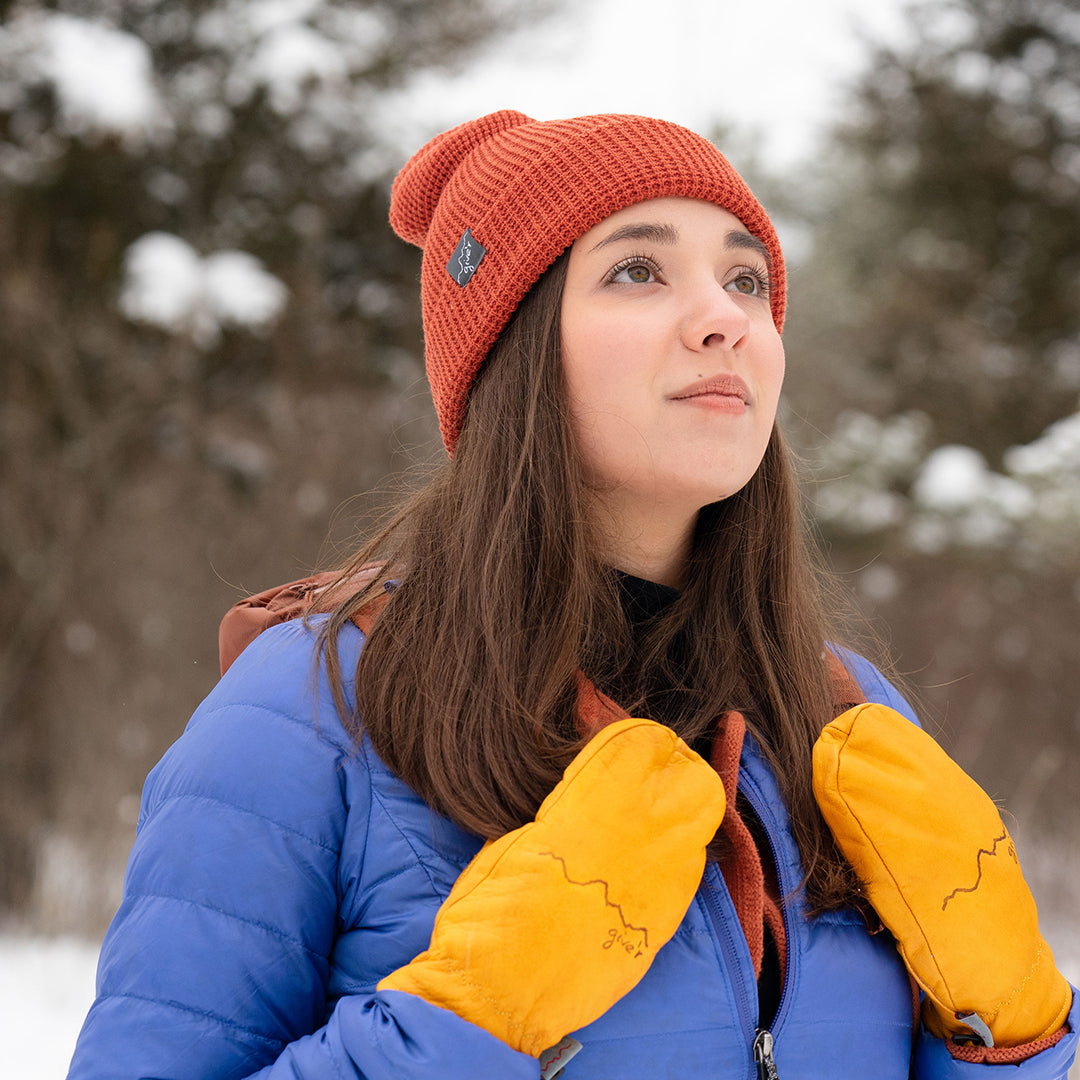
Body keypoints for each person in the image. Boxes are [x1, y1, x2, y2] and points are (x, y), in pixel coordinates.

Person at [67, 111, 1077, 1079]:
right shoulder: (311, 707)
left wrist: (1013, 1038)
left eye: (746, 278)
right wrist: (473, 1018)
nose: (726, 316)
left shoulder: (843, 716)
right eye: (638, 269)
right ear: (511, 347)